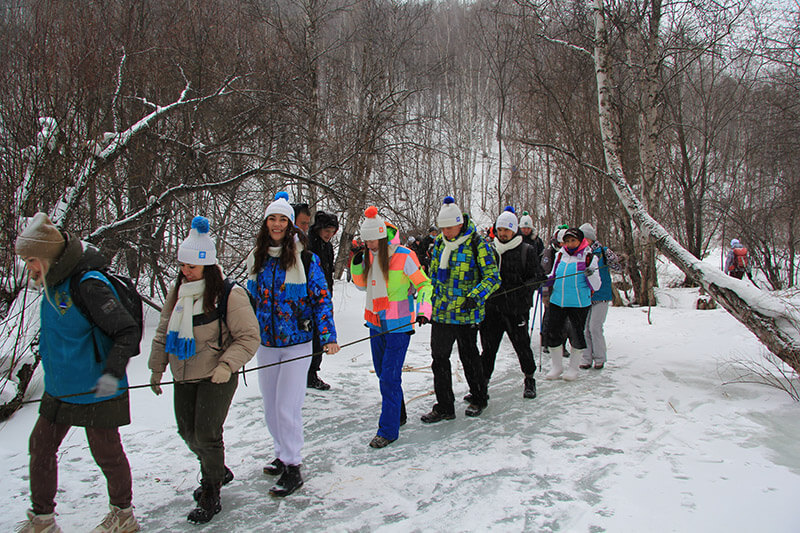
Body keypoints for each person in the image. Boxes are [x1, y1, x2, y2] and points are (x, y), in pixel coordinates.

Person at [14, 213, 141, 533]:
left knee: (107, 453)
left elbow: (126, 331)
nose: (28, 267)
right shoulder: (51, 283)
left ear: (47, 255)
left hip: (97, 386)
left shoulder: (88, 284)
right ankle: (42, 519)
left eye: (31, 259)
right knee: (40, 446)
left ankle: (123, 515)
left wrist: (112, 373)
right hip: (60, 388)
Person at [149, 216, 260, 523]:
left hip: (217, 376)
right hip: (183, 373)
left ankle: (211, 489)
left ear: (207, 267)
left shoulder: (229, 294)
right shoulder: (179, 293)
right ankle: (218, 469)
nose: (185, 272)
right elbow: (162, 332)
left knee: (207, 434)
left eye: (192, 267)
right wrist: (157, 368)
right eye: (183, 266)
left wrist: (227, 365)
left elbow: (249, 337)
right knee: (187, 432)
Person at [247, 192, 339, 497]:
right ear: (266, 223)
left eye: (282, 219)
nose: (276, 224)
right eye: (272, 218)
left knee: (287, 406)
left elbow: (320, 299)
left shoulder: (305, 258)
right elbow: (248, 300)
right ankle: (281, 451)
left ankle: (293, 465)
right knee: (271, 407)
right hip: (267, 342)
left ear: (290, 225)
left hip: (298, 342)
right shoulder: (258, 257)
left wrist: (328, 336)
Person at [350, 206, 432, 447]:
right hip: (375, 323)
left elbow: (424, 286)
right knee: (383, 374)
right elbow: (361, 286)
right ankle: (399, 414)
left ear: (382, 235)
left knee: (389, 377)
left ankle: (388, 430)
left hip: (398, 327)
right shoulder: (369, 255)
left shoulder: (405, 255)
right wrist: (357, 262)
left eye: (374, 240)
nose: (371, 245)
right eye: (367, 241)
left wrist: (424, 311)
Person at [421, 196, 500, 423]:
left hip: (467, 313)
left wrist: (475, 297)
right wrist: (427, 307)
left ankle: (479, 396)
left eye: (449, 227)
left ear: (460, 223)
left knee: (469, 357)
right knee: (439, 358)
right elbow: (432, 278)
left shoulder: (478, 243)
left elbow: (493, 277)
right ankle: (444, 406)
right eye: (442, 228)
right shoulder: (438, 244)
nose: (445, 232)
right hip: (442, 313)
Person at [480, 207, 545, 399]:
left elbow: (539, 276)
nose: (502, 234)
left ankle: (529, 379)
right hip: (492, 309)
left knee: (522, 346)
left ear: (514, 230)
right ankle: (482, 384)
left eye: (506, 230)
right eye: (500, 230)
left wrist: (527, 286)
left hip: (516, 309)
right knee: (488, 349)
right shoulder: (490, 250)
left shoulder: (527, 250)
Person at [543, 227, 602, 381]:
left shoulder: (589, 257)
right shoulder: (560, 255)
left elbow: (596, 286)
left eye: (573, 240)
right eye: (567, 241)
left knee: (576, 334)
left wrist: (590, 273)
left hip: (578, 303)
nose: (570, 243)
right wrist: (544, 281)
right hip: (557, 301)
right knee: (553, 333)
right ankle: (557, 367)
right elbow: (554, 274)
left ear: (580, 241)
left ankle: (573, 368)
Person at [578, 223, 622, 370]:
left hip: (601, 295)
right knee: (585, 329)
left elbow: (618, 267)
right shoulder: (580, 253)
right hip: (586, 295)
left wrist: (617, 260)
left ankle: (599, 358)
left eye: (585, 238)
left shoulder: (602, 251)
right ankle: (586, 358)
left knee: (595, 327)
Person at [306, 211, 340, 390]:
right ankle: (307, 373)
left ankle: (312, 372)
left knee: (320, 336)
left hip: (324, 296)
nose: (329, 234)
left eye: (332, 231)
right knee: (311, 337)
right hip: (309, 298)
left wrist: (329, 295)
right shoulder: (308, 245)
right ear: (319, 229)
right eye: (326, 230)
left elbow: (328, 274)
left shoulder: (328, 246)